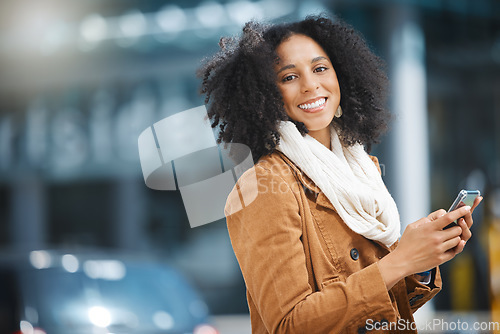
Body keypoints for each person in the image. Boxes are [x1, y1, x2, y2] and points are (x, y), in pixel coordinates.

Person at [198, 15, 482, 333]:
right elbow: (290, 325)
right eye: (289, 77)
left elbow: (379, 312)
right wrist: (400, 260)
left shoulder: (361, 168)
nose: (310, 85)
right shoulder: (263, 186)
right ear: (266, 95)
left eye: (320, 68)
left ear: (342, 76)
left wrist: (423, 261)